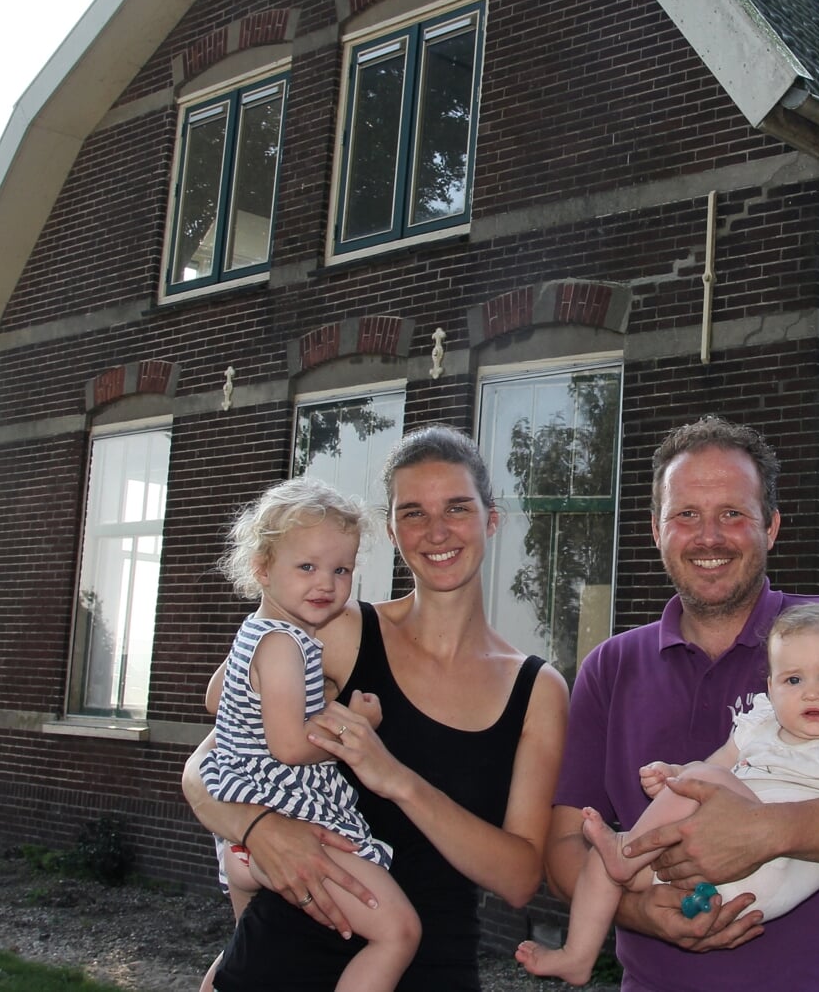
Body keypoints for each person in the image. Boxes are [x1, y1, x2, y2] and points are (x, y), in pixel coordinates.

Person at [546, 416, 819, 991]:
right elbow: (564, 847)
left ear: (772, 527)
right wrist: (640, 914)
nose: (709, 537)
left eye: (733, 514)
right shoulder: (610, 668)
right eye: (686, 515)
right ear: (657, 531)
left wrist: (766, 831)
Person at [184, 425, 569, 992]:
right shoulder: (336, 630)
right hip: (280, 959)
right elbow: (205, 768)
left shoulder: (536, 687)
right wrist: (259, 827)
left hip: (436, 968)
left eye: (457, 508)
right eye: (413, 513)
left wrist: (397, 780)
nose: (437, 530)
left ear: (491, 518)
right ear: (391, 530)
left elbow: (518, 879)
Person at [518, 602, 819, 986]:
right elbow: (714, 764)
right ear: (771, 688)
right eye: (794, 680)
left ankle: (625, 852)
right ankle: (578, 956)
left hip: (775, 871)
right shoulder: (757, 730)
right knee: (601, 865)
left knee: (669, 809)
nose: (812, 694)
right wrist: (675, 775)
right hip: (704, 874)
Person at [199, 478, 418, 991]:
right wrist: (356, 724)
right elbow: (290, 748)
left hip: (240, 829)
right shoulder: (284, 646)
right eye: (307, 567)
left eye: (340, 570)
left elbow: (217, 699)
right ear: (262, 569)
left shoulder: (253, 634)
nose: (326, 583)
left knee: (250, 954)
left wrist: (300, 691)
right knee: (398, 932)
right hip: (292, 816)